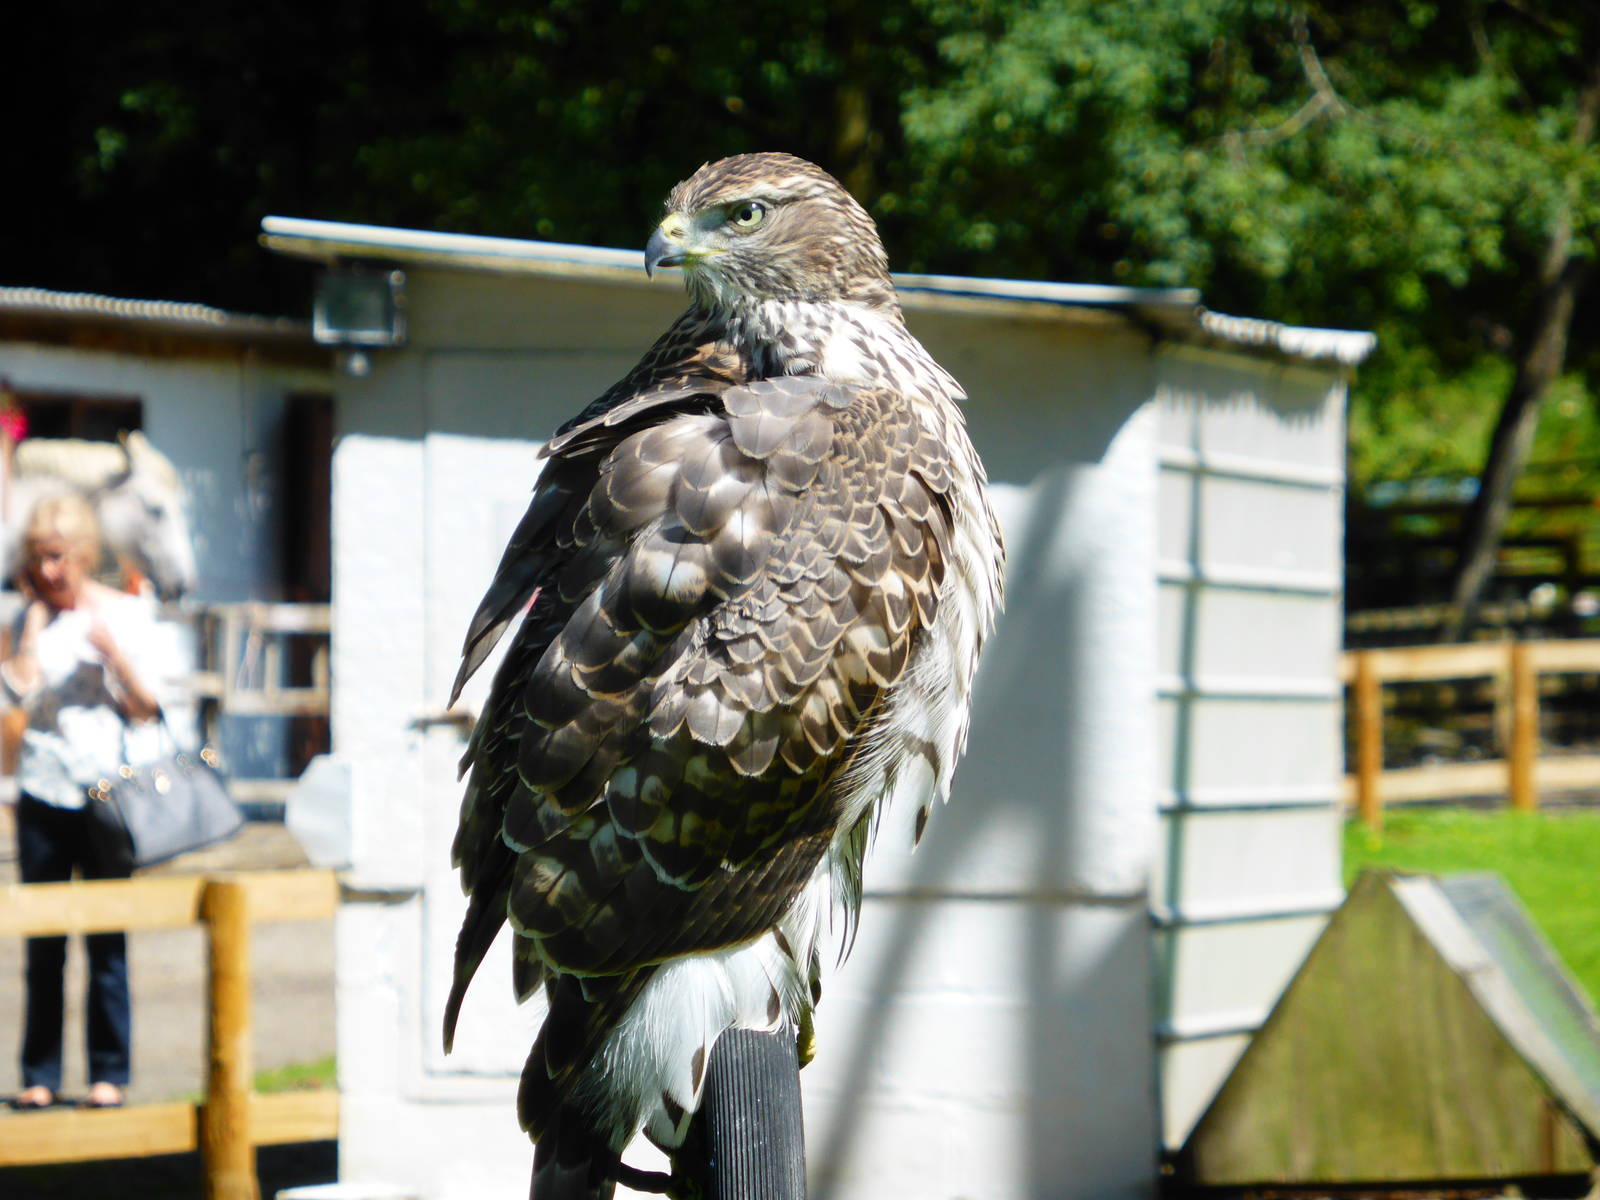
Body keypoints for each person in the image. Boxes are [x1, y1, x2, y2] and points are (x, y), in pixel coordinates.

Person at [3, 493, 165, 1110]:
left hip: (106, 796)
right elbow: (12, 699)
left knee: (106, 942)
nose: (49, 571)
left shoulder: (123, 612)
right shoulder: (25, 619)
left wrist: (115, 657)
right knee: (42, 945)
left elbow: (150, 710)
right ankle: (39, 1074)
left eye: (60, 557)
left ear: (85, 554)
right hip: (43, 792)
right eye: (39, 558)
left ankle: (109, 1073)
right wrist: (32, 633)